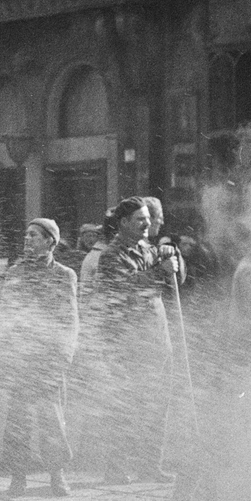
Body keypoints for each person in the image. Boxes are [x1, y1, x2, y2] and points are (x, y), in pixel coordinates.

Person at [93, 197, 179, 485]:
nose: (147, 223)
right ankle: (115, 468)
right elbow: (128, 289)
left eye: (147, 219)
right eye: (140, 219)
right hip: (128, 343)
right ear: (124, 223)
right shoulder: (111, 256)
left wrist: (173, 259)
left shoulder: (147, 248)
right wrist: (160, 271)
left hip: (156, 339)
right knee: (126, 407)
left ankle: (149, 465)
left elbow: (174, 278)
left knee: (157, 406)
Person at [0, 218, 79, 497]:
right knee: (18, 423)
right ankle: (17, 477)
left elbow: (70, 321)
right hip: (21, 360)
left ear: (50, 241)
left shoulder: (64, 275)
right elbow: (5, 316)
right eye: (26, 234)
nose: (27, 239)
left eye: (34, 235)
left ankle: (57, 476)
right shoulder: (15, 272)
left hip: (49, 361)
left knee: (52, 421)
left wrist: (62, 360)